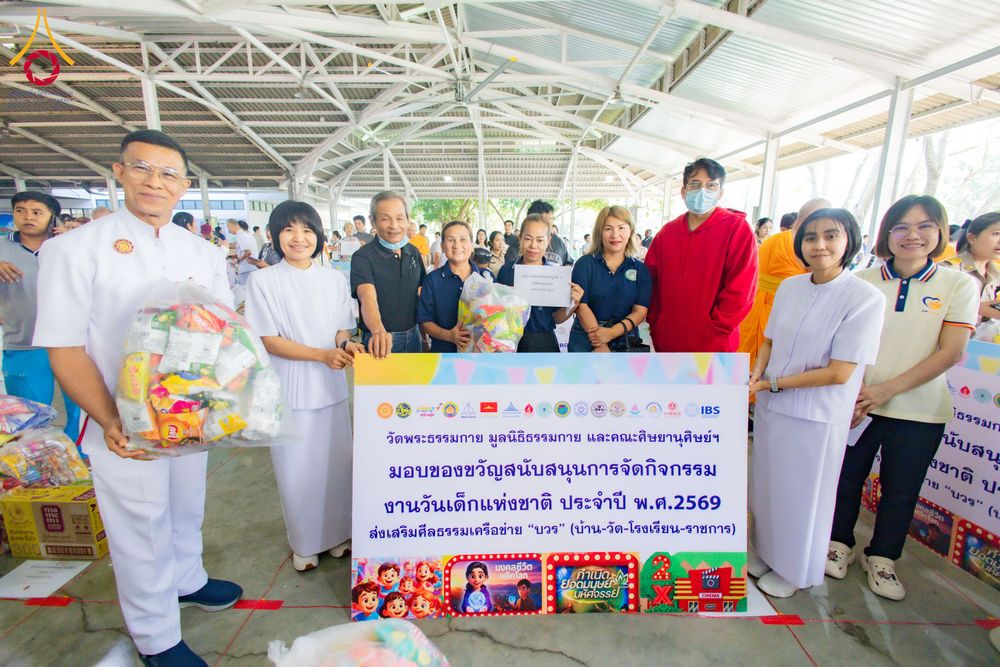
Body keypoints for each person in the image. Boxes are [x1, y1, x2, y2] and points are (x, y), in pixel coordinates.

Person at [33, 129, 242, 666]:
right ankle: (156, 637)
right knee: (140, 522)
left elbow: (222, 332)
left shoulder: (200, 251)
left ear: (184, 186)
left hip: (187, 412)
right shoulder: (74, 249)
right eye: (142, 168)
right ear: (119, 172)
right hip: (120, 419)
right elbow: (65, 346)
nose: (155, 182)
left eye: (168, 173)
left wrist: (222, 402)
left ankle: (187, 578)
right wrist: (109, 419)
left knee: (184, 504)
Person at [828, 195, 978, 601]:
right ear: (886, 234)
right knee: (845, 478)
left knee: (902, 487)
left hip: (919, 409)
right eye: (901, 227)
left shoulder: (959, 285)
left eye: (924, 226)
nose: (913, 235)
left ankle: (882, 557)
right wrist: (856, 393)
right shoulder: (861, 282)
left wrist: (886, 390)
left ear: (940, 232)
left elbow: (951, 351)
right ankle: (839, 543)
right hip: (859, 405)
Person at [747, 208, 885, 598]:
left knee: (803, 496)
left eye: (831, 235)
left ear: (850, 240)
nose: (819, 245)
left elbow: (839, 372)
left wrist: (773, 383)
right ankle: (766, 552)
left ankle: (794, 569)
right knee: (768, 487)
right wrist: (759, 376)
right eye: (810, 237)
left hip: (818, 414)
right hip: (773, 406)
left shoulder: (865, 298)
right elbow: (770, 340)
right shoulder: (791, 287)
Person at [244, 200, 362, 573]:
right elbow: (269, 339)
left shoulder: (333, 279)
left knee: (337, 466)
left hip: (331, 386)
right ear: (275, 235)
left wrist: (345, 346)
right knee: (296, 469)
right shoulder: (263, 280)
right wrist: (321, 355)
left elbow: (341, 330)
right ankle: (306, 543)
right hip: (291, 388)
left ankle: (339, 534)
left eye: (307, 230)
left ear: (319, 237)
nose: (299, 238)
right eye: (290, 230)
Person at [645, 158, 757, 352]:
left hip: (715, 342)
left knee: (713, 383)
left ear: (720, 193)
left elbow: (741, 288)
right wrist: (656, 322)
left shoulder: (737, 229)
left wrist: (718, 327)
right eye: (695, 184)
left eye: (711, 185)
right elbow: (650, 282)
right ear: (683, 191)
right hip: (668, 339)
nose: (702, 191)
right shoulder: (667, 233)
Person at [0, 191, 81, 441]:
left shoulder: (70, 244)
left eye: (37, 213)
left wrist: (76, 244)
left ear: (51, 217)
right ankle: (32, 465)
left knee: (81, 408)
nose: (28, 217)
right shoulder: (2, 247)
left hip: (73, 341)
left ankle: (81, 458)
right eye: (21, 211)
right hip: (24, 340)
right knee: (27, 413)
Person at [739, 199, 830, 371]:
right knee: (775, 359)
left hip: (754, 305)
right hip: (785, 308)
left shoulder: (774, 239)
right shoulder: (805, 243)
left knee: (748, 355)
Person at [350, 191, 426, 357]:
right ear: (373, 221)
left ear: (407, 219)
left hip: (414, 335)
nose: (394, 225)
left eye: (400, 218)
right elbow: (367, 298)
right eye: (385, 219)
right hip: (380, 339)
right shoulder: (363, 257)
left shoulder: (413, 251)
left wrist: (425, 331)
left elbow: (420, 292)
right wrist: (378, 332)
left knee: (415, 382)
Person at [569, 206, 651, 353]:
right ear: (599, 232)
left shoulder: (640, 269)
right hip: (586, 338)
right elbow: (581, 305)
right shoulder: (584, 264)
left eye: (621, 228)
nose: (615, 235)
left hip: (625, 337)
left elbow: (640, 311)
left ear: (630, 231)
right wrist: (600, 344)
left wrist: (612, 332)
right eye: (608, 229)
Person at [496, 214, 582, 352]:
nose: (533, 245)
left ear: (548, 241)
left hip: (545, 342)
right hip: (510, 341)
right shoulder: (506, 271)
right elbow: (495, 314)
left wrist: (573, 303)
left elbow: (557, 318)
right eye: (528, 239)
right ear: (520, 238)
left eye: (540, 240)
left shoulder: (555, 276)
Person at [417, 221, 492, 353]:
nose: (457, 245)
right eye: (451, 240)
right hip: (444, 355)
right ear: (442, 246)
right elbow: (425, 322)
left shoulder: (486, 278)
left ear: (471, 245)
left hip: (480, 355)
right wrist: (449, 336)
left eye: (463, 239)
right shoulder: (432, 280)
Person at [940, 212, 1000, 322]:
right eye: (996, 234)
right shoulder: (947, 270)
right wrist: (978, 309)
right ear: (972, 238)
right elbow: (928, 309)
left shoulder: (995, 275)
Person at [526, 200, 573, 265]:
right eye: (546, 220)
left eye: (551, 219)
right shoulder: (520, 245)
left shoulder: (558, 241)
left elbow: (568, 262)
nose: (550, 224)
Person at [227, 218, 258, 285]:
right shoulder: (247, 235)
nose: (228, 229)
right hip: (250, 268)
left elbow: (248, 252)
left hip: (246, 269)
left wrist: (237, 260)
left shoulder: (241, 235)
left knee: (245, 290)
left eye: (228, 227)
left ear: (231, 226)